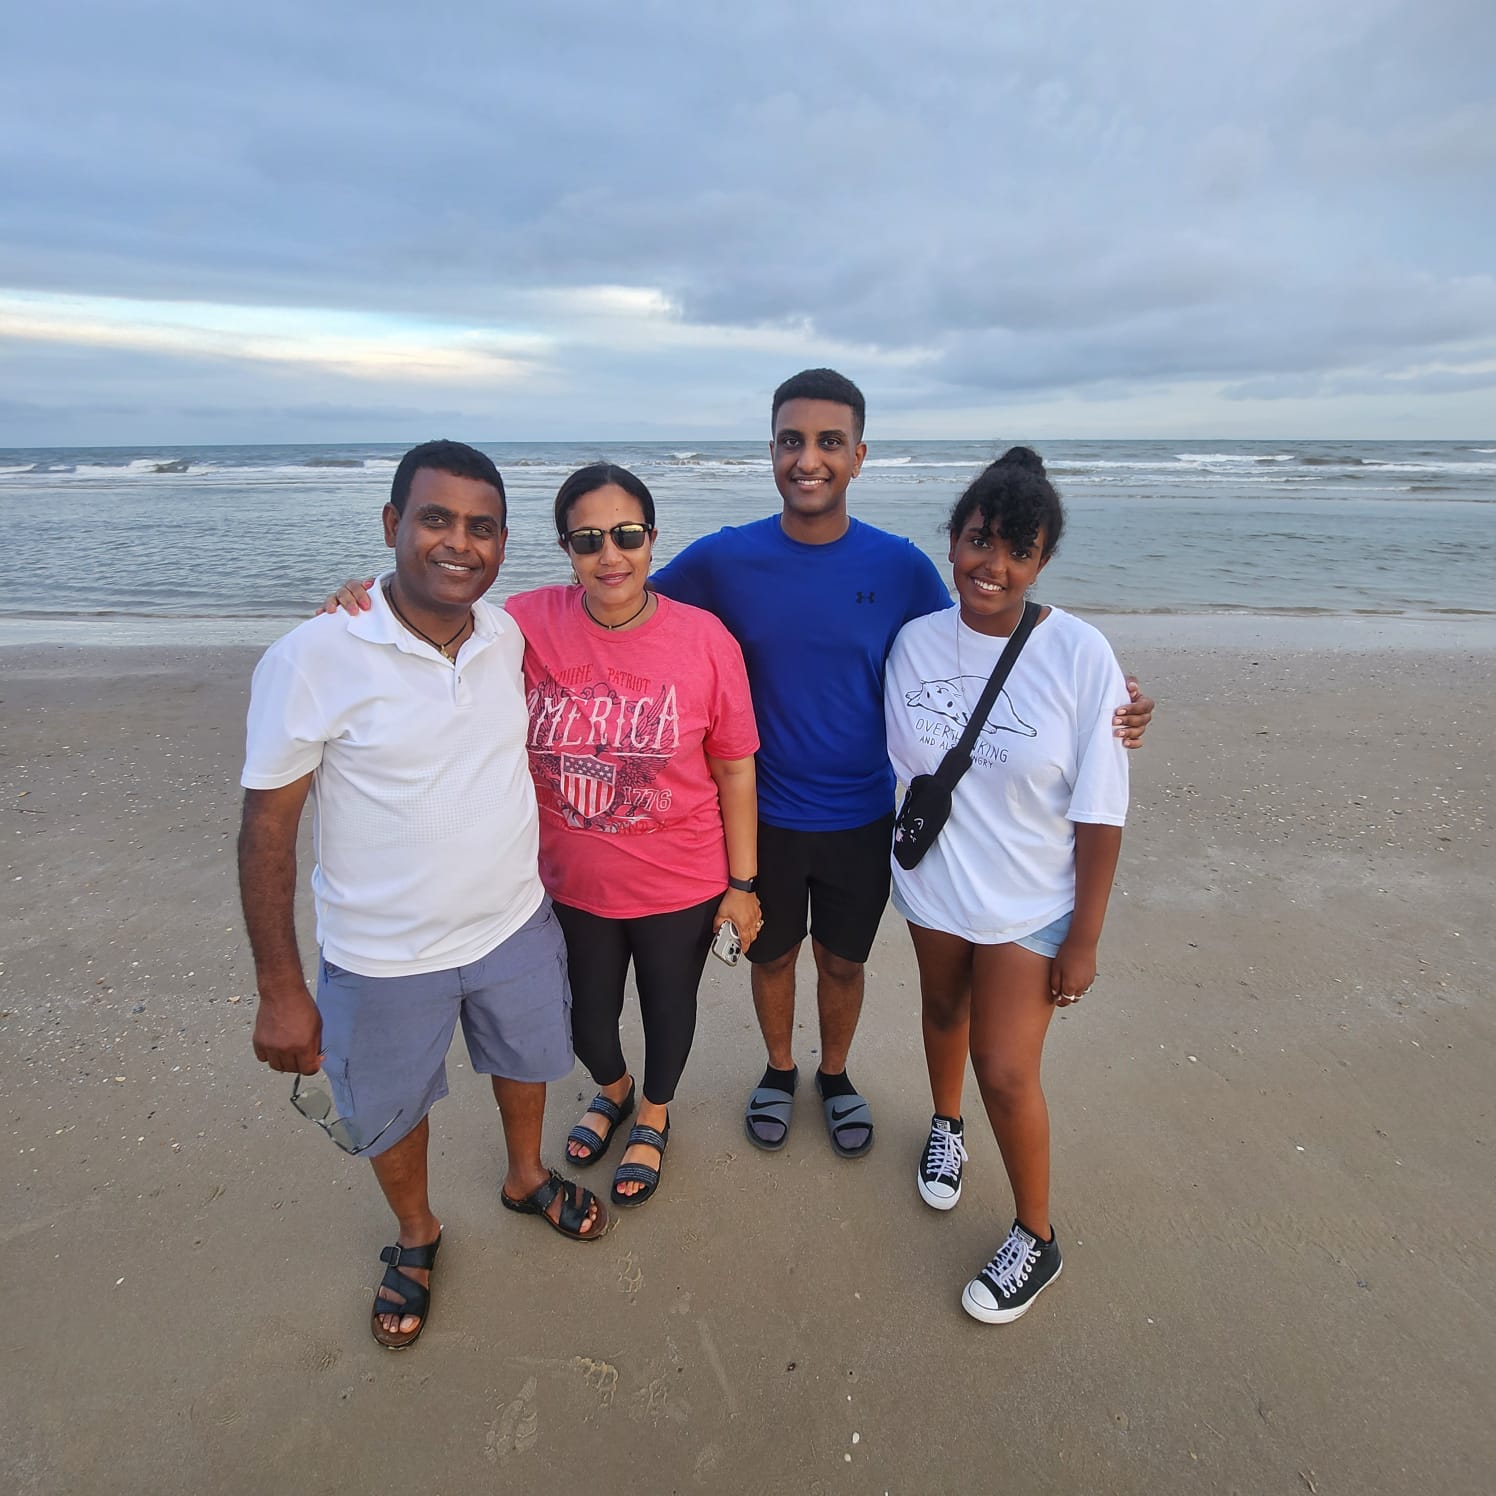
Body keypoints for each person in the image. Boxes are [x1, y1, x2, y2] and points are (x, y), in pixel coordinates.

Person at [652, 369, 1154, 1161]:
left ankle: (835, 1074)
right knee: (772, 956)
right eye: (791, 441)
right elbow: (630, 609)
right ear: (771, 450)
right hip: (762, 816)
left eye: (829, 442)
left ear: (858, 456)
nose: (809, 459)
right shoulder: (723, 559)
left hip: (865, 817)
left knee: (841, 963)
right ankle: (779, 1069)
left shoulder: (901, 568)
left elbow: (977, 652)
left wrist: (1106, 703)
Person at [239, 440, 607, 1355]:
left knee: (527, 1064)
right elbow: (266, 833)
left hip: (514, 923)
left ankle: (525, 1178)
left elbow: (617, 599)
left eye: (482, 527)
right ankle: (416, 1234)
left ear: (504, 544)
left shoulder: (506, 636)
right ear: (392, 524)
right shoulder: (314, 655)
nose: (459, 543)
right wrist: (281, 988)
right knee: (390, 1110)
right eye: (436, 519)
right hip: (381, 955)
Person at [325, 463, 762, 1211]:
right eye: (587, 540)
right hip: (566, 882)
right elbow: (436, 607)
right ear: (565, 549)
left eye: (627, 535)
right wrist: (362, 599)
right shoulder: (524, 622)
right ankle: (614, 1089)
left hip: (681, 880)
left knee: (669, 1010)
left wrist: (743, 886)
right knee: (585, 1022)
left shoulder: (705, 640)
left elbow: (735, 768)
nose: (610, 556)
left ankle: (654, 1114)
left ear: (653, 539)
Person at [883, 446, 1127, 1324]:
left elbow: (1101, 808)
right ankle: (945, 1129)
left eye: (1018, 551)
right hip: (935, 885)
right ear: (952, 540)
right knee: (942, 1011)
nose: (993, 566)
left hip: (1031, 903)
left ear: (1042, 560)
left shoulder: (1080, 655)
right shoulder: (913, 643)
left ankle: (1037, 1235)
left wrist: (1085, 938)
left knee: (1006, 1067)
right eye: (980, 541)